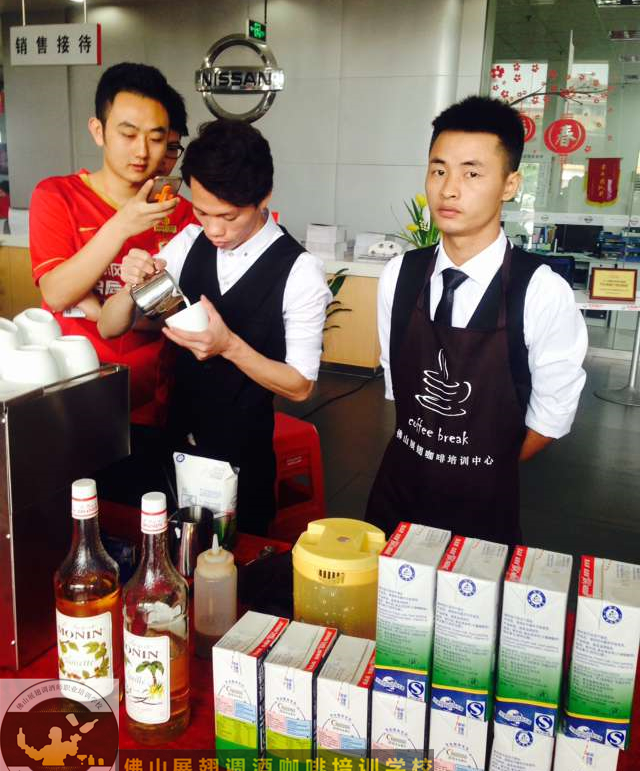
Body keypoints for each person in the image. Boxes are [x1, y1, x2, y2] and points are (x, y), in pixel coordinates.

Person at [366, 96, 588, 547]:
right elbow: (397, 386)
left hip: (483, 507)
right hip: (397, 492)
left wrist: (477, 465)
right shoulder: (400, 274)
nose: (449, 189)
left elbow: (551, 418)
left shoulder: (540, 291)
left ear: (510, 185)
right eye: (438, 170)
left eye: (472, 173)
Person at [98, 119, 332, 535]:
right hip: (174, 447)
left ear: (264, 197)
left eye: (228, 215)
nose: (215, 229)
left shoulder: (299, 272)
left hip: (243, 459)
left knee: (234, 562)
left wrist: (228, 346)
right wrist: (134, 284)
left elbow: (300, 386)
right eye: (202, 212)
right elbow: (109, 327)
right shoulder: (189, 242)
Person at [29, 63, 194, 427]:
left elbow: (177, 314)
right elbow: (56, 293)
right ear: (98, 131)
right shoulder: (57, 196)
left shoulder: (182, 214)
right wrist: (121, 225)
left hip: (150, 395)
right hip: (69, 389)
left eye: (156, 138)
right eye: (128, 134)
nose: (142, 151)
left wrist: (101, 311)